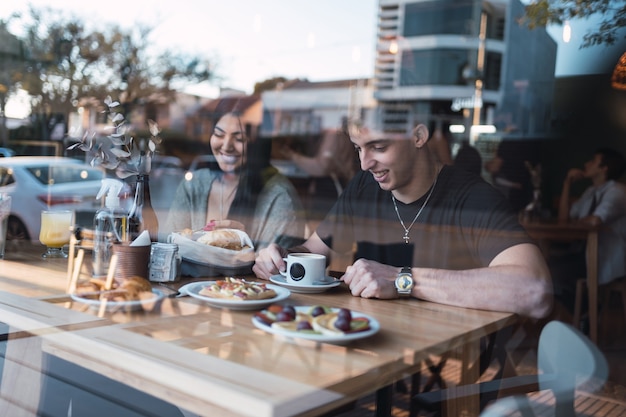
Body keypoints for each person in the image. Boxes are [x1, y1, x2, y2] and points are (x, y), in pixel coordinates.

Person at [253, 119, 553, 319]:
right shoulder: (362, 186)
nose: (365, 163)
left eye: (379, 147)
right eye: (359, 148)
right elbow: (312, 251)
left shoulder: (473, 198)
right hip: (375, 347)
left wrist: (401, 280)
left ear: (418, 136)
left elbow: (535, 291)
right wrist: (282, 258)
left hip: (452, 359)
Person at [163, 99, 306, 252]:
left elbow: (276, 269)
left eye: (239, 139)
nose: (226, 146)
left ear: (257, 144)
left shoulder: (280, 197)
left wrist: (245, 243)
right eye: (219, 134)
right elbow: (168, 247)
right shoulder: (195, 183)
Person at [552, 147, 626, 312]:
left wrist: (577, 222)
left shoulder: (617, 192)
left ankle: (588, 313)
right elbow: (564, 219)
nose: (586, 164)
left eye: (593, 161)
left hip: (603, 257)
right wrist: (567, 183)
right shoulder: (591, 192)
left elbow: (595, 221)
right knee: (545, 267)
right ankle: (585, 314)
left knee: (550, 273)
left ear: (604, 168)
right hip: (582, 254)